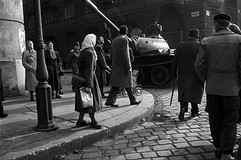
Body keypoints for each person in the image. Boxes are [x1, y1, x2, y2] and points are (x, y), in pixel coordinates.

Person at [195, 13, 241, 160]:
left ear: (215, 24)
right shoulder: (239, 40)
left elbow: (199, 65)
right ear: (228, 24)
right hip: (232, 88)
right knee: (230, 119)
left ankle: (219, 147)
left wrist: (208, 78)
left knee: (215, 119)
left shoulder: (206, 41)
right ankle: (227, 152)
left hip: (213, 88)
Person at [171, 29, 204, 121]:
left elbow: (175, 61)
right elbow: (203, 61)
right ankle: (194, 111)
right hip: (196, 73)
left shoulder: (180, 45)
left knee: (184, 91)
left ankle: (183, 108)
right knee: (195, 92)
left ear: (189, 36)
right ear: (197, 37)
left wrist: (173, 74)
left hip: (183, 73)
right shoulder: (199, 46)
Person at [105, 25, 141, 107]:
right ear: (126, 31)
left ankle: (110, 101)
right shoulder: (124, 40)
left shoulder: (114, 40)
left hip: (116, 65)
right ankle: (133, 100)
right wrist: (128, 66)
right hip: (123, 66)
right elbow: (126, 54)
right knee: (128, 83)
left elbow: (112, 54)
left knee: (116, 84)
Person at [75, 34, 102, 129]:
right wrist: (89, 84)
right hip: (88, 79)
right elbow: (89, 69)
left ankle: (80, 120)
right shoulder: (90, 52)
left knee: (84, 101)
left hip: (83, 78)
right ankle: (93, 121)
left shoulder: (83, 51)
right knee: (90, 101)